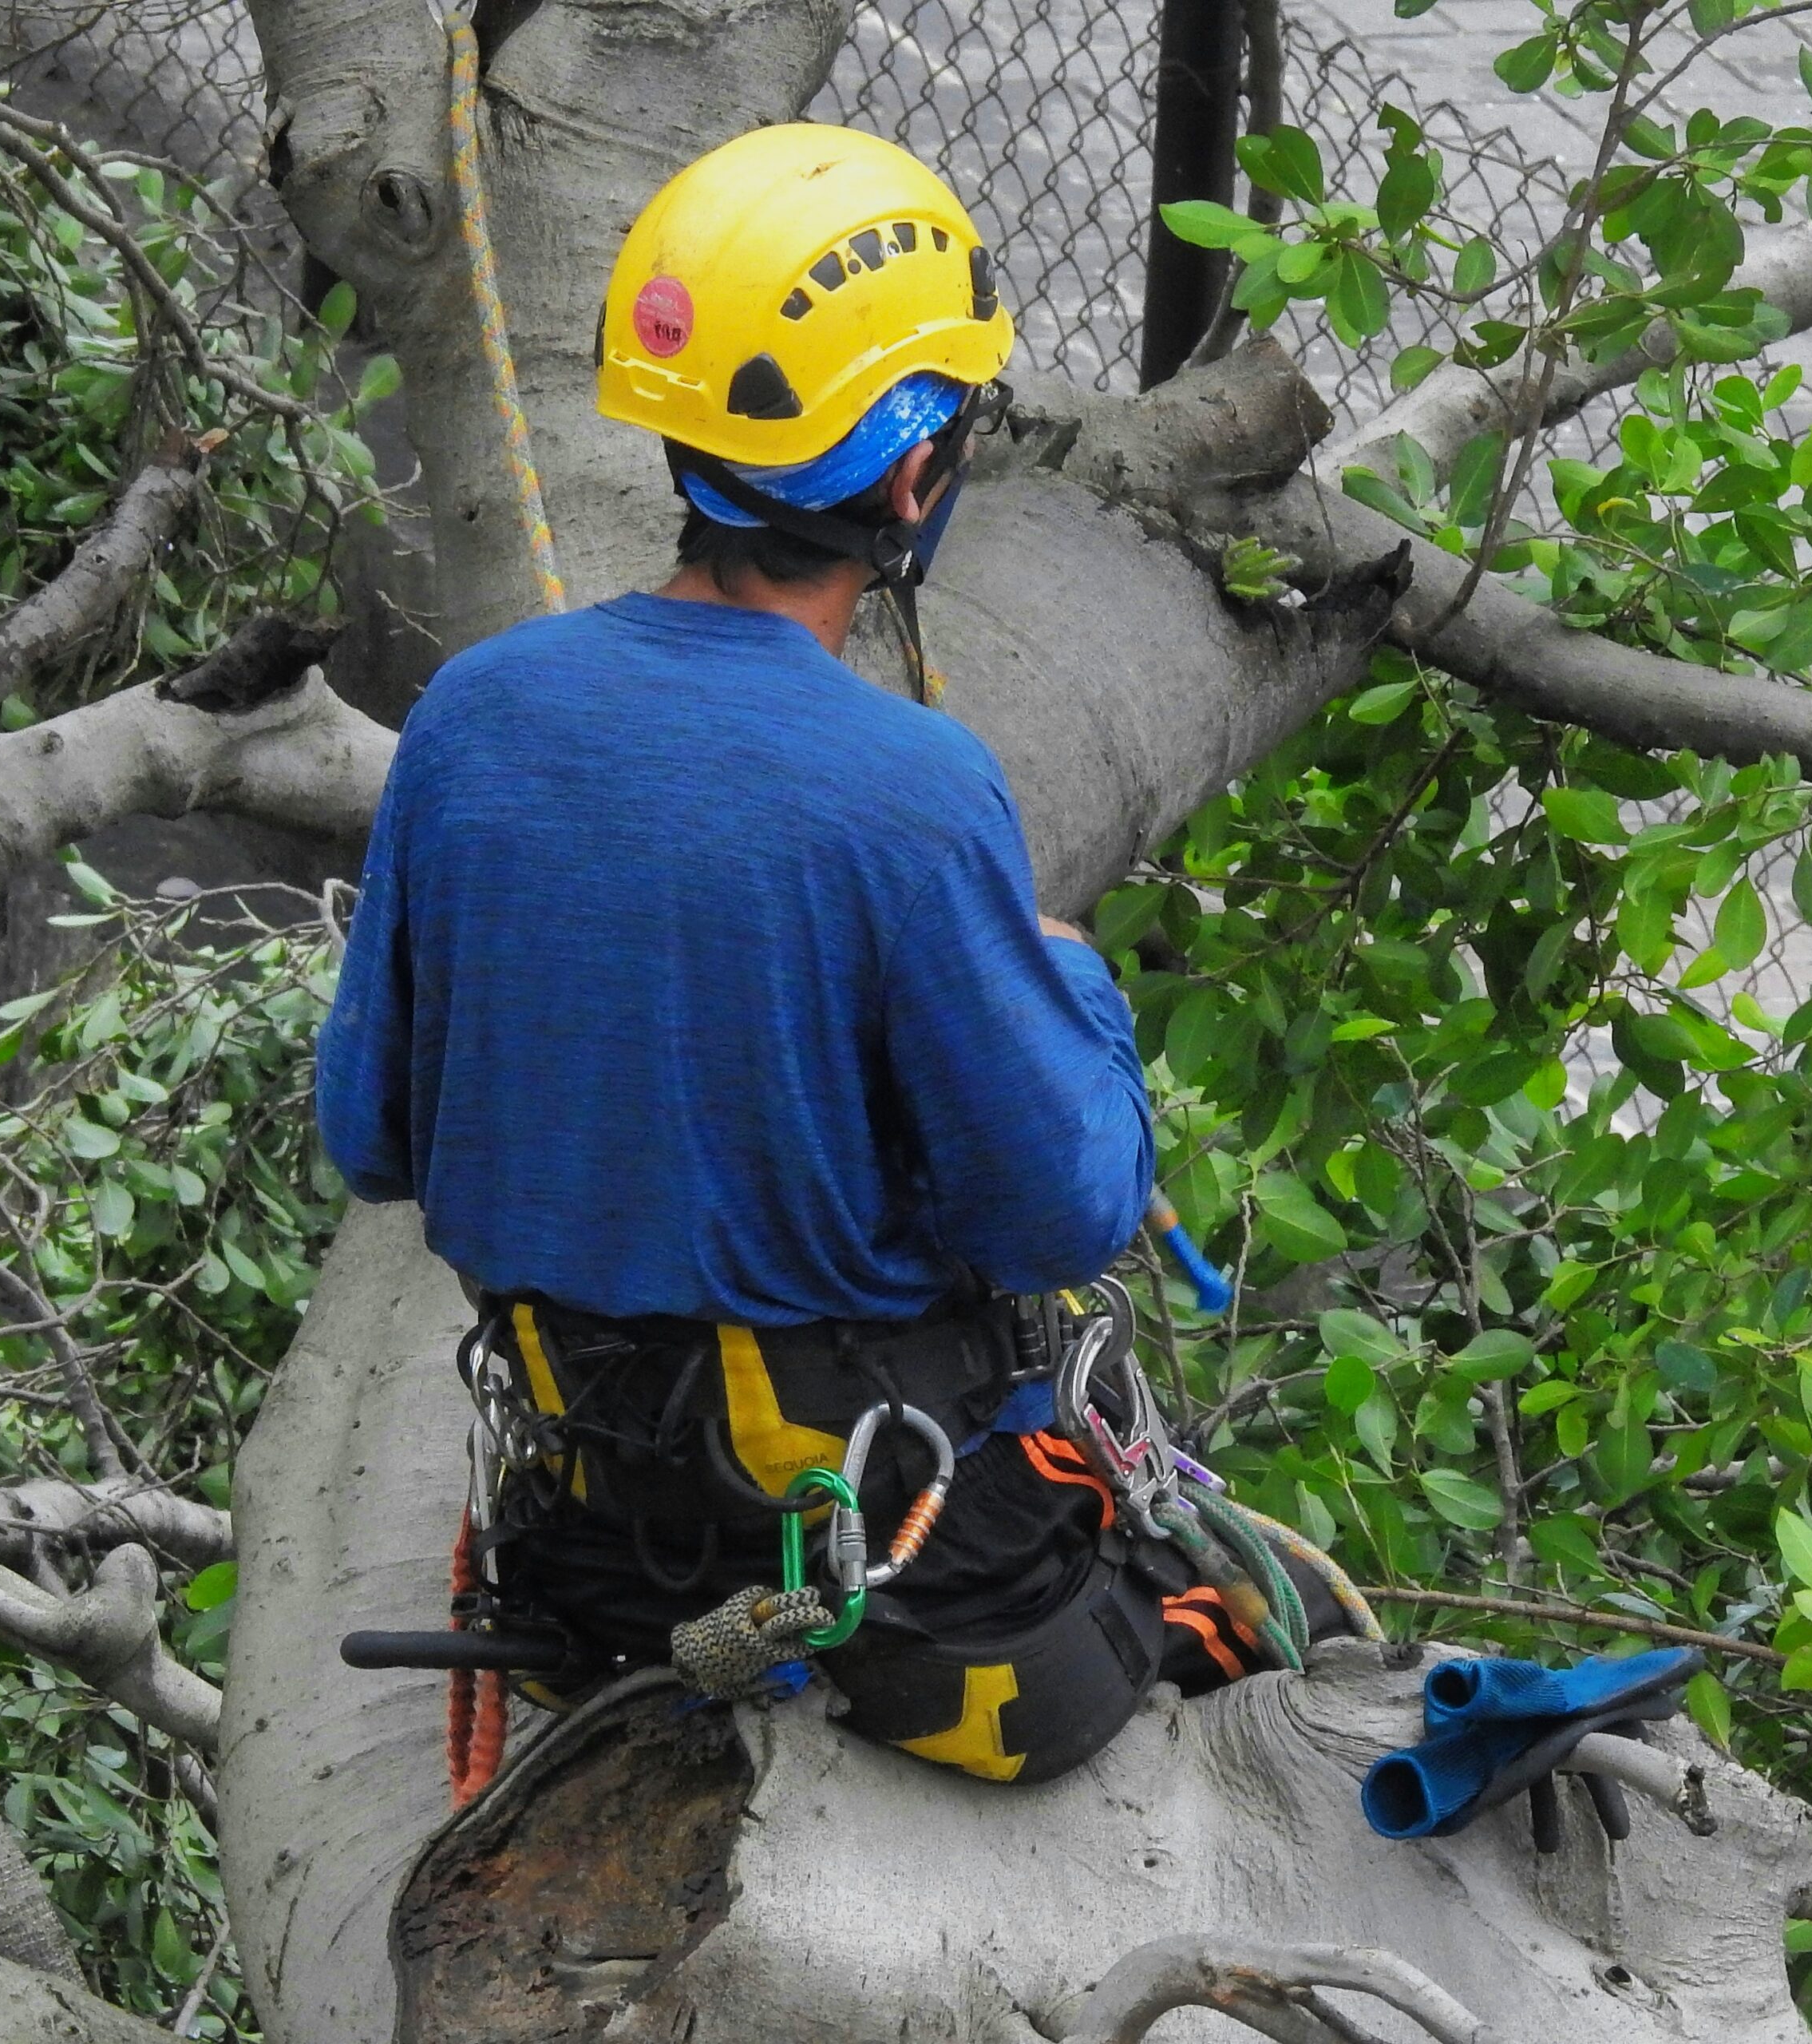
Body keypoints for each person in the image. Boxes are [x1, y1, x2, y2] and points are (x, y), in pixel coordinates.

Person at [318, 125, 1346, 1787]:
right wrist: (1065, 979)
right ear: (917, 461)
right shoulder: (910, 793)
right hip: (882, 1568)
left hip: (580, 1535)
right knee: (1241, 1629)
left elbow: (371, 1132)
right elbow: (1064, 1208)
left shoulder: (472, 716)